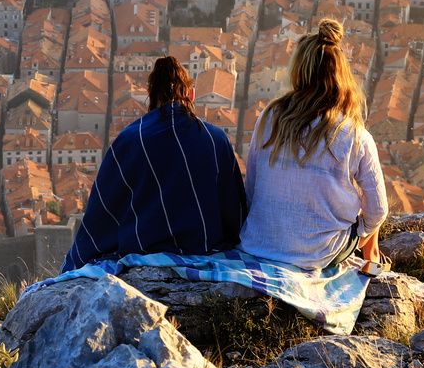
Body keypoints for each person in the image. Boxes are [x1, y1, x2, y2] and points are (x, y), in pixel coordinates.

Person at [61, 56, 247, 269]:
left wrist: (78, 258)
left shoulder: (130, 140)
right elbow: (233, 208)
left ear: (150, 96)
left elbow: (104, 207)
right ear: (191, 95)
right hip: (204, 247)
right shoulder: (215, 139)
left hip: (141, 249)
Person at [238, 18, 386, 270]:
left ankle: (371, 258)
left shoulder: (269, 116)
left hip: (259, 243)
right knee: (369, 218)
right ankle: (372, 261)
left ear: (299, 70)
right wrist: (362, 232)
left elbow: (252, 187)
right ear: (341, 75)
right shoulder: (354, 134)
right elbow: (378, 209)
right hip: (319, 253)